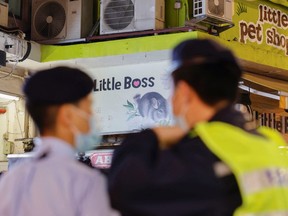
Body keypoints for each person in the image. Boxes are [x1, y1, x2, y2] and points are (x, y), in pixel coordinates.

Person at [108, 39, 288, 216]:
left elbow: (125, 190)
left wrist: (151, 136)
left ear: (184, 92)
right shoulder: (268, 143)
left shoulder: (206, 150)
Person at [0, 66, 119, 216]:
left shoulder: (11, 180)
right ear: (67, 115)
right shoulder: (84, 181)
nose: (91, 116)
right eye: (88, 109)